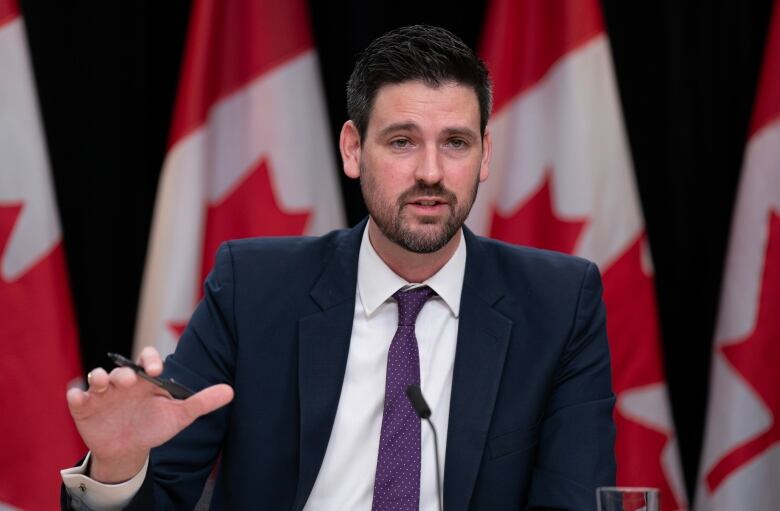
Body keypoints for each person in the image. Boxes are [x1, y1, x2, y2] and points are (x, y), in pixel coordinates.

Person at [61, 25, 615, 510]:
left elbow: (573, 501)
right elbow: (162, 498)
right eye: (402, 141)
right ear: (353, 150)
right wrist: (118, 465)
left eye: (455, 143)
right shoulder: (253, 290)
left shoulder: (559, 304)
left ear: (485, 155)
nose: (430, 172)